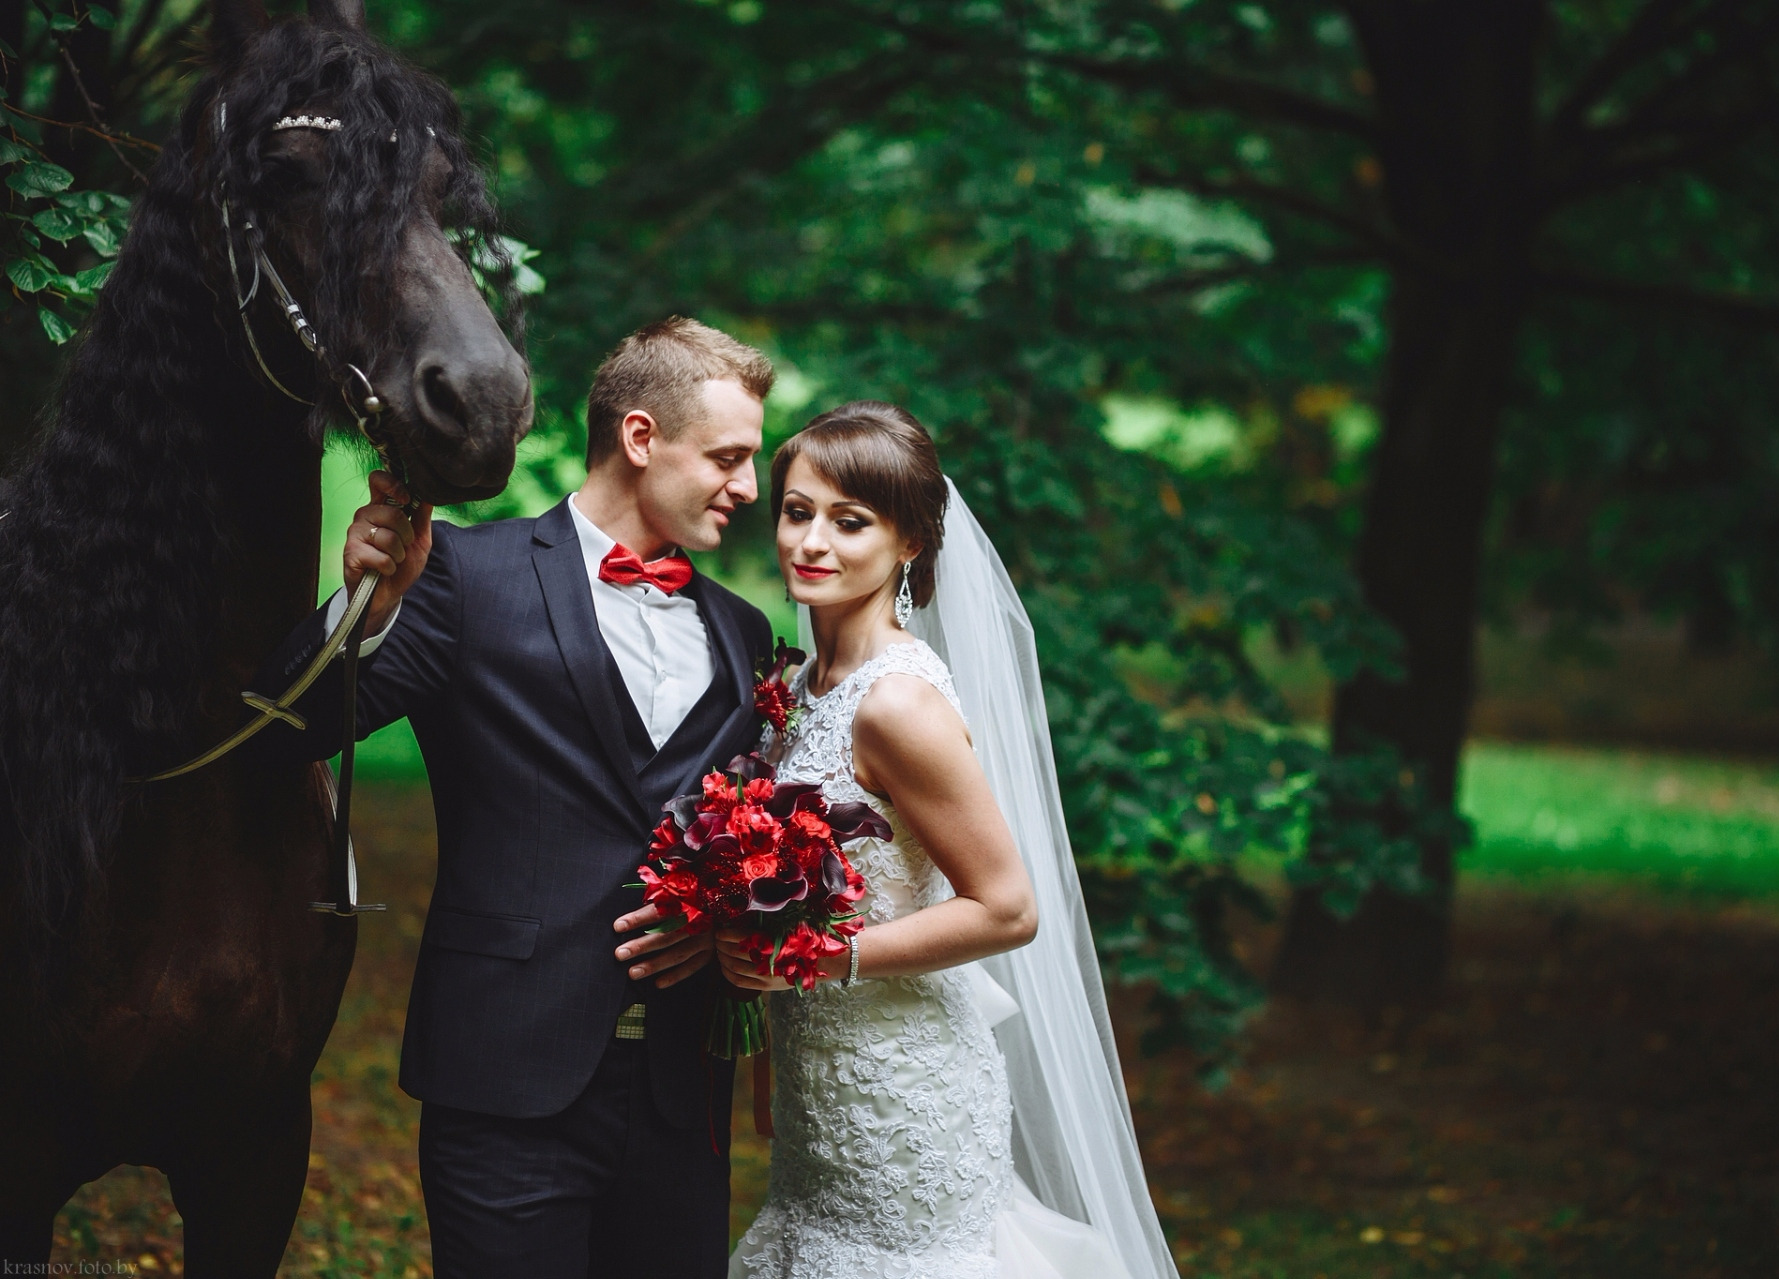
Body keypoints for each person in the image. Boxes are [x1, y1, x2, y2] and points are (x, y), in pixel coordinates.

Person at [250, 317, 775, 1278]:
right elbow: (288, 727)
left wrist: (732, 924)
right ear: (642, 437)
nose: (749, 486)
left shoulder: (746, 635)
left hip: (680, 1099)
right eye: (731, 457)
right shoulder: (459, 571)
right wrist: (377, 601)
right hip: (504, 1083)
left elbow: (759, 844)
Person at [717, 402, 1181, 1279]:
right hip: (825, 1090)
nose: (811, 540)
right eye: (796, 510)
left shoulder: (896, 704)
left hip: (904, 1093)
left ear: (910, 546)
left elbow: (1007, 908)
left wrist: (817, 959)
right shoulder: (801, 684)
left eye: (849, 521)